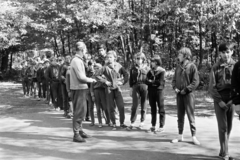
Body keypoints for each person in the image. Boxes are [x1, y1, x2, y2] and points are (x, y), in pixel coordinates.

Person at [209, 43, 236, 160]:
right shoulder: (216, 67)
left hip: (232, 98)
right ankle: (225, 154)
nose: (225, 54)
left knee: (229, 126)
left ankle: (223, 151)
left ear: (232, 52)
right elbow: (211, 86)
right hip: (220, 97)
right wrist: (219, 100)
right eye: (223, 52)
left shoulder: (236, 66)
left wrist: (234, 99)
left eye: (228, 51)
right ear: (220, 53)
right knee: (223, 127)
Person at [171, 47, 200, 145]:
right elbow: (174, 80)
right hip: (179, 95)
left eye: (180, 54)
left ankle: (194, 136)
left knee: (190, 116)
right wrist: (175, 88)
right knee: (180, 115)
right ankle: (180, 136)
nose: (178, 56)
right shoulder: (178, 67)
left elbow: (195, 81)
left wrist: (186, 89)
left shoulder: (192, 67)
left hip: (188, 95)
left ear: (185, 55)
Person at [96, 50, 128, 130]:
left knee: (121, 106)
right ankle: (113, 123)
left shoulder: (118, 66)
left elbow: (126, 74)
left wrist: (123, 82)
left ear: (115, 58)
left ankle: (122, 123)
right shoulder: (104, 67)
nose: (109, 59)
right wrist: (105, 81)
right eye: (108, 57)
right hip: (109, 90)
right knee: (111, 108)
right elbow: (96, 75)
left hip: (117, 88)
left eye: (111, 57)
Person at [70, 41, 96, 143]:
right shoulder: (76, 60)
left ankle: (80, 131)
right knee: (79, 111)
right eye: (85, 49)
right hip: (78, 88)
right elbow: (81, 77)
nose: (86, 51)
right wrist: (91, 80)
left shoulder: (79, 60)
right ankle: (76, 134)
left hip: (81, 88)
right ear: (82, 50)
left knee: (83, 111)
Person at [127, 52, 150, 130]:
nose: (138, 60)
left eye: (140, 58)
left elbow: (151, 79)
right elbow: (131, 80)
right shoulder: (133, 69)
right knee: (135, 105)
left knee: (144, 104)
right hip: (135, 86)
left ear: (143, 59)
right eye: (137, 58)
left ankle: (142, 122)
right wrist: (130, 89)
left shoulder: (147, 68)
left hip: (145, 86)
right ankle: (132, 122)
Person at [145, 55, 166, 133]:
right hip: (151, 91)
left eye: (153, 62)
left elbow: (160, 82)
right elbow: (145, 81)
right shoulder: (150, 71)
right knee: (153, 109)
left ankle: (161, 126)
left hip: (159, 91)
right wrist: (152, 82)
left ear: (156, 62)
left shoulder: (162, 71)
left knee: (161, 109)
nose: (151, 63)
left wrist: (151, 82)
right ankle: (153, 125)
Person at [90, 63, 110, 128]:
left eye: (98, 68)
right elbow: (91, 87)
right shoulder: (93, 76)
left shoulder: (104, 75)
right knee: (98, 108)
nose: (96, 69)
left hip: (103, 91)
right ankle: (100, 122)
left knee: (105, 107)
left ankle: (108, 121)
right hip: (96, 91)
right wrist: (92, 95)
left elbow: (107, 83)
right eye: (95, 68)